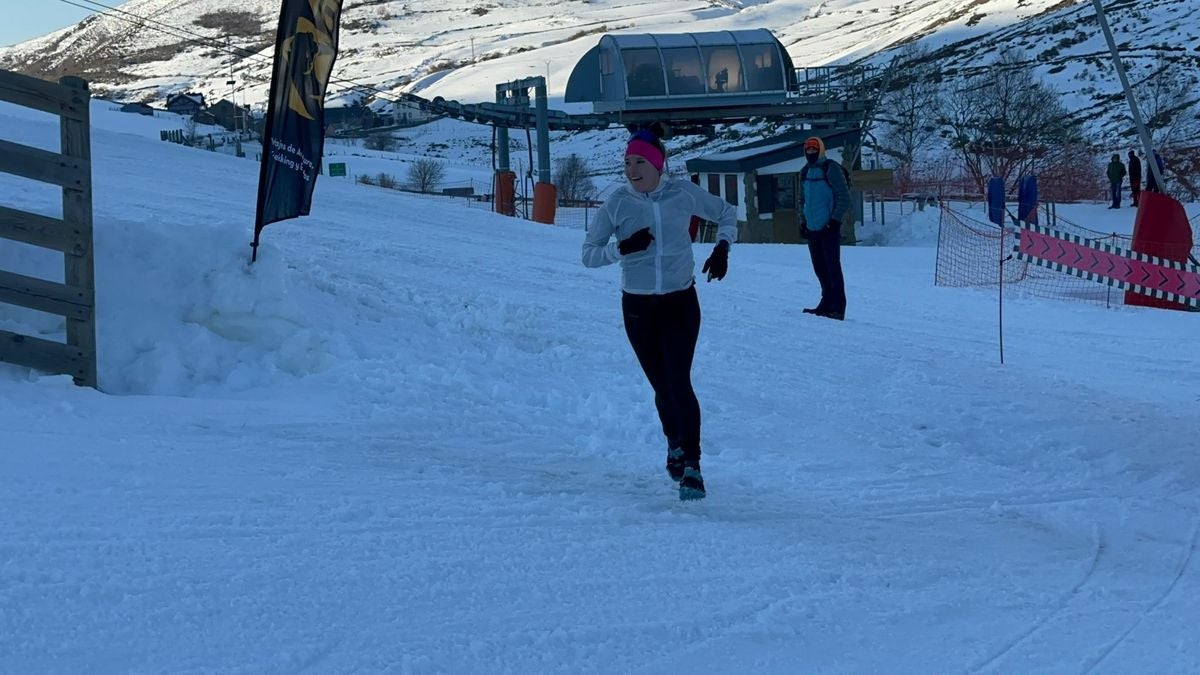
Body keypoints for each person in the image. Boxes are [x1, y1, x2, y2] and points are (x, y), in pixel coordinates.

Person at [581, 125, 737, 501]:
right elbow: (588, 254)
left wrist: (722, 247)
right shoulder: (617, 203)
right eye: (627, 162)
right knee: (662, 387)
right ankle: (674, 443)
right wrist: (623, 248)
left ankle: (693, 468)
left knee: (679, 382)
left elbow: (727, 212)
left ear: (657, 164)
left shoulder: (682, 193)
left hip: (680, 302)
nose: (631, 169)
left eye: (639, 161)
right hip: (637, 307)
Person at [798, 136, 851, 320]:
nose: (810, 153)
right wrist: (802, 223)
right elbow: (802, 200)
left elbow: (844, 198)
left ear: (820, 150)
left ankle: (838, 306)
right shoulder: (804, 172)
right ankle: (826, 302)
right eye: (808, 150)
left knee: (832, 267)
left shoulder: (832, 169)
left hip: (829, 228)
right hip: (812, 228)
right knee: (819, 267)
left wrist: (834, 221)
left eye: (814, 150)